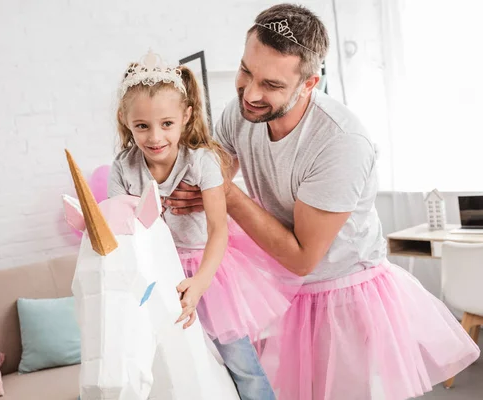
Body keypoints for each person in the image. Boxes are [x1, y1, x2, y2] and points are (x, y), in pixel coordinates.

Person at [164, 4, 480, 399]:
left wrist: (224, 194)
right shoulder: (240, 111)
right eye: (246, 71)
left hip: (345, 297)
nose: (251, 93)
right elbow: (216, 172)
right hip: (286, 293)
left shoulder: (340, 142)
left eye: (273, 85)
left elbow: (301, 257)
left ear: (310, 83)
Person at [107, 50, 301, 400]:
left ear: (186, 116)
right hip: (155, 273)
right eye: (142, 126)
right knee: (157, 360)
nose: (155, 138)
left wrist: (198, 285)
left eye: (166, 124)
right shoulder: (123, 168)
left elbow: (218, 231)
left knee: (239, 361)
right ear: (126, 121)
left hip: (205, 270)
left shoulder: (202, 163)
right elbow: (123, 234)